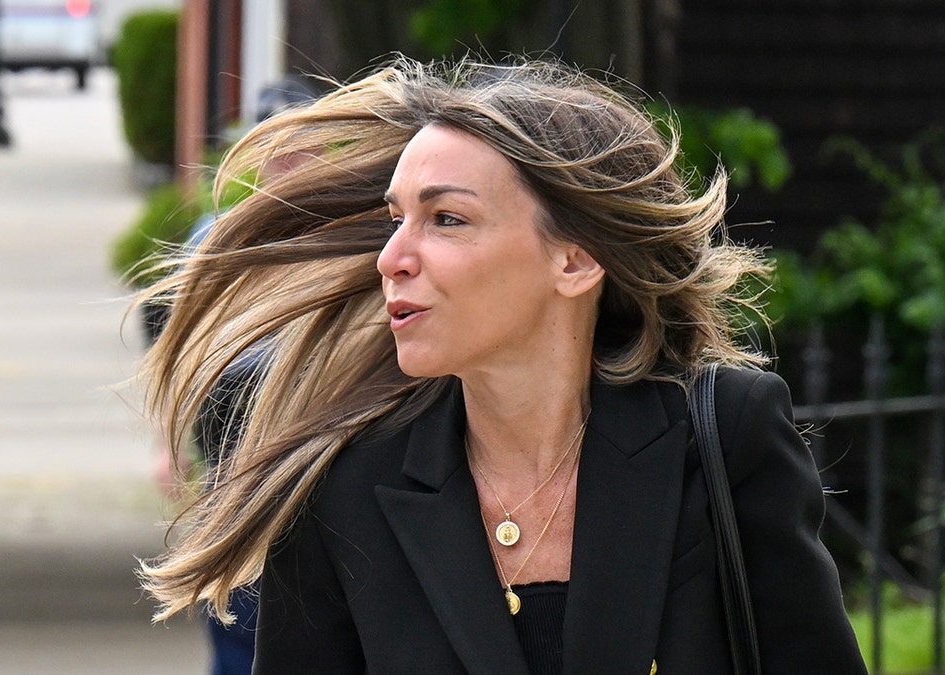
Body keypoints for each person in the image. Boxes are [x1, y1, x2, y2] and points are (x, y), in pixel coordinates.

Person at [137, 55, 867, 673]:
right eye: (397, 219)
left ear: (576, 259)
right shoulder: (343, 485)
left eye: (446, 219)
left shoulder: (723, 440)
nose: (393, 257)